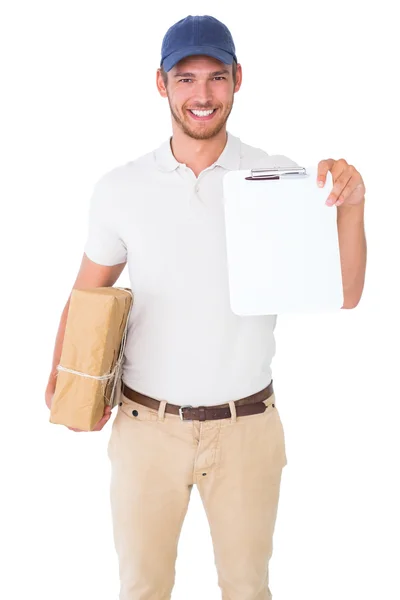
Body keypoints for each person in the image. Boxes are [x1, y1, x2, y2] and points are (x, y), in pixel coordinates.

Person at [46, 13, 366, 600]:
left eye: (215, 77)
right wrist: (63, 384)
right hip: (147, 429)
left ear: (238, 79)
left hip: (246, 428)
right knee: (142, 590)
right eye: (186, 77)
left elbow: (344, 293)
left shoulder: (279, 179)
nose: (201, 94)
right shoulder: (121, 188)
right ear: (161, 84)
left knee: (247, 590)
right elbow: (84, 293)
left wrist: (352, 205)